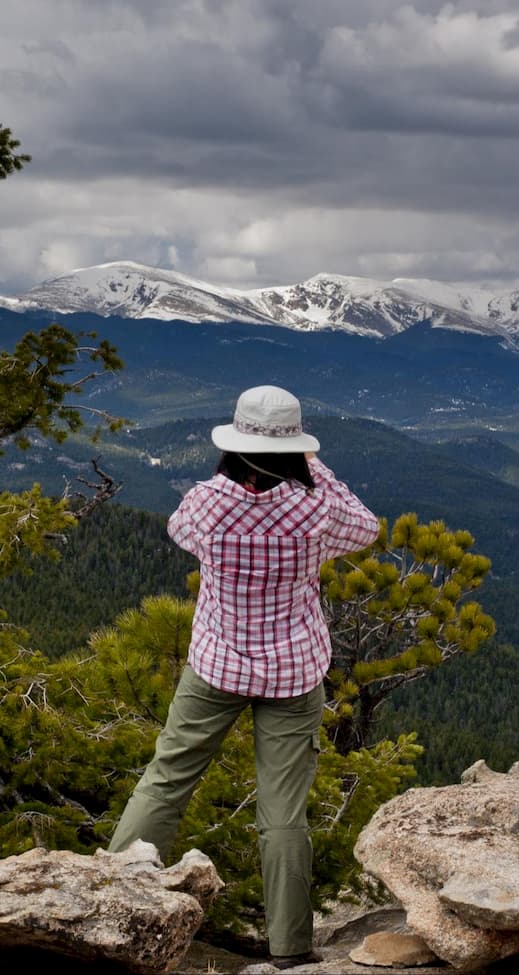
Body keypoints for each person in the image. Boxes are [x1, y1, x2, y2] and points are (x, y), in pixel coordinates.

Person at [108, 384, 380, 970]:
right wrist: (316, 467)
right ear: (293, 448)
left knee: (167, 780)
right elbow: (368, 528)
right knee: (283, 814)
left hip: (216, 663)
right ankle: (289, 948)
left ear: (233, 445)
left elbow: (179, 532)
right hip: (293, 669)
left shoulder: (207, 503)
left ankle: (109, 901)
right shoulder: (317, 510)